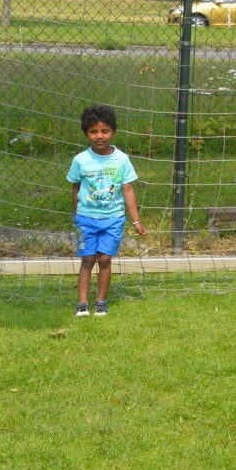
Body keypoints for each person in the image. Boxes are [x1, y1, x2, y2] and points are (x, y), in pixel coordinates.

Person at [69, 104, 145, 317]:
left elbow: (128, 190)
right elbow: (75, 188)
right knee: (87, 259)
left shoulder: (121, 160)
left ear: (113, 131)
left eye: (105, 131)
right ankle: (82, 304)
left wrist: (136, 220)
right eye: (93, 131)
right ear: (86, 133)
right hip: (86, 218)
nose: (99, 136)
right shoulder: (80, 160)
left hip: (113, 219)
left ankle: (101, 301)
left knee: (104, 260)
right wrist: (77, 214)